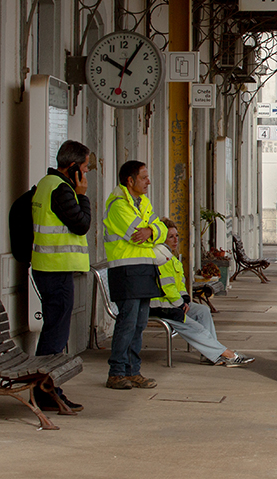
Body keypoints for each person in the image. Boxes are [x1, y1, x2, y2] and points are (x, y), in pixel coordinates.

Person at [30, 140, 92, 411]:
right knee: (56, 334)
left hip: (48, 267)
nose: (87, 174)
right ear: (74, 168)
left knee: (54, 330)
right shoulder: (62, 189)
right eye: (86, 168)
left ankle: (46, 386)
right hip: (55, 269)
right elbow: (81, 224)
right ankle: (45, 389)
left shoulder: (45, 184)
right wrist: (83, 195)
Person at [152, 218, 254, 368]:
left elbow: (179, 284)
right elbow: (167, 287)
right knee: (194, 326)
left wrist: (185, 300)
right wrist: (180, 304)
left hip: (173, 303)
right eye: (170, 237)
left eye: (176, 236)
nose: (175, 240)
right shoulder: (160, 258)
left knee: (203, 311)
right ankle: (227, 354)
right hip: (161, 306)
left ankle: (209, 355)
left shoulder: (172, 258)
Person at [104, 161, 168, 390]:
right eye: (144, 177)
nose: (148, 181)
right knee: (127, 323)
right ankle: (117, 372)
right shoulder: (118, 206)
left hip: (144, 270)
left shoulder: (144, 203)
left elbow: (161, 229)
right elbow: (136, 234)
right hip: (126, 272)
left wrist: (152, 230)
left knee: (140, 324)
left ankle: (133, 371)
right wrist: (153, 231)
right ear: (130, 181)